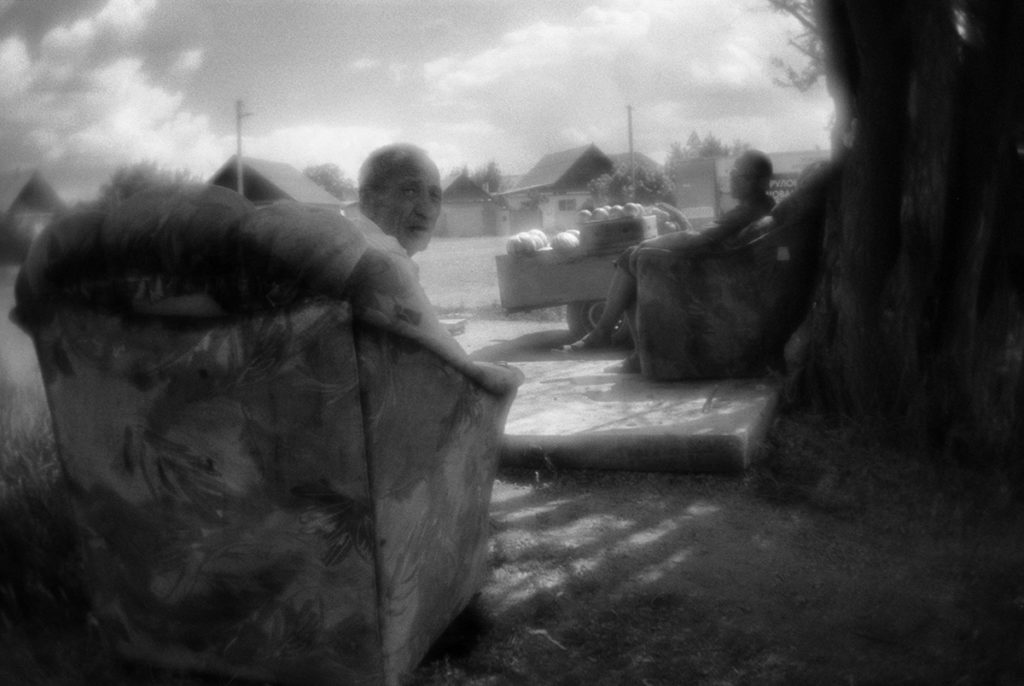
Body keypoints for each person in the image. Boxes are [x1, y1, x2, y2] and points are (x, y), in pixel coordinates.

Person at [562, 149, 776, 368]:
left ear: (759, 181)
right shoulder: (762, 208)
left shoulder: (747, 212)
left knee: (634, 259)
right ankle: (619, 342)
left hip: (708, 279)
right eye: (732, 171)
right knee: (634, 258)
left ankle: (607, 336)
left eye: (738, 174)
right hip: (722, 273)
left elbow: (700, 238)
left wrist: (650, 245)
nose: (731, 177)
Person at [347, 143, 443, 257]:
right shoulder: (373, 266)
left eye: (434, 195)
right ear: (367, 200)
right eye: (410, 191)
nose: (428, 211)